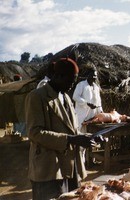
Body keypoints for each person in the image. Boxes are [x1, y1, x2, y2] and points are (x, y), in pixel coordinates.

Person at [25, 58, 103, 200]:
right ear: (58, 76)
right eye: (70, 80)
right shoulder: (37, 97)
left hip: (70, 167)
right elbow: (34, 132)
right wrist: (71, 139)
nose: (72, 84)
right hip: (49, 169)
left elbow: (71, 130)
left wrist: (89, 137)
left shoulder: (65, 97)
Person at [73, 68, 103, 132]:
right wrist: (86, 103)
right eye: (93, 75)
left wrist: (100, 111)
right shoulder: (81, 85)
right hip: (82, 115)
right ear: (88, 75)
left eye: (95, 76)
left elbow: (99, 102)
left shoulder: (96, 88)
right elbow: (75, 96)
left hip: (92, 116)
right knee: (81, 133)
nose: (94, 77)